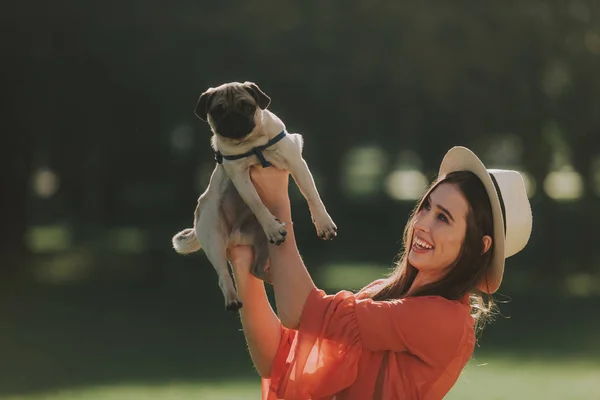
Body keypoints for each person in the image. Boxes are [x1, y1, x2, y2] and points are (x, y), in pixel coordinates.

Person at [227, 146, 533, 400]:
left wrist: (278, 201)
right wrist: (243, 265)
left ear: (480, 246)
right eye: (427, 207)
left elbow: (304, 311)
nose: (422, 224)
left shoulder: (446, 320)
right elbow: (280, 357)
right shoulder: (382, 293)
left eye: (443, 218)